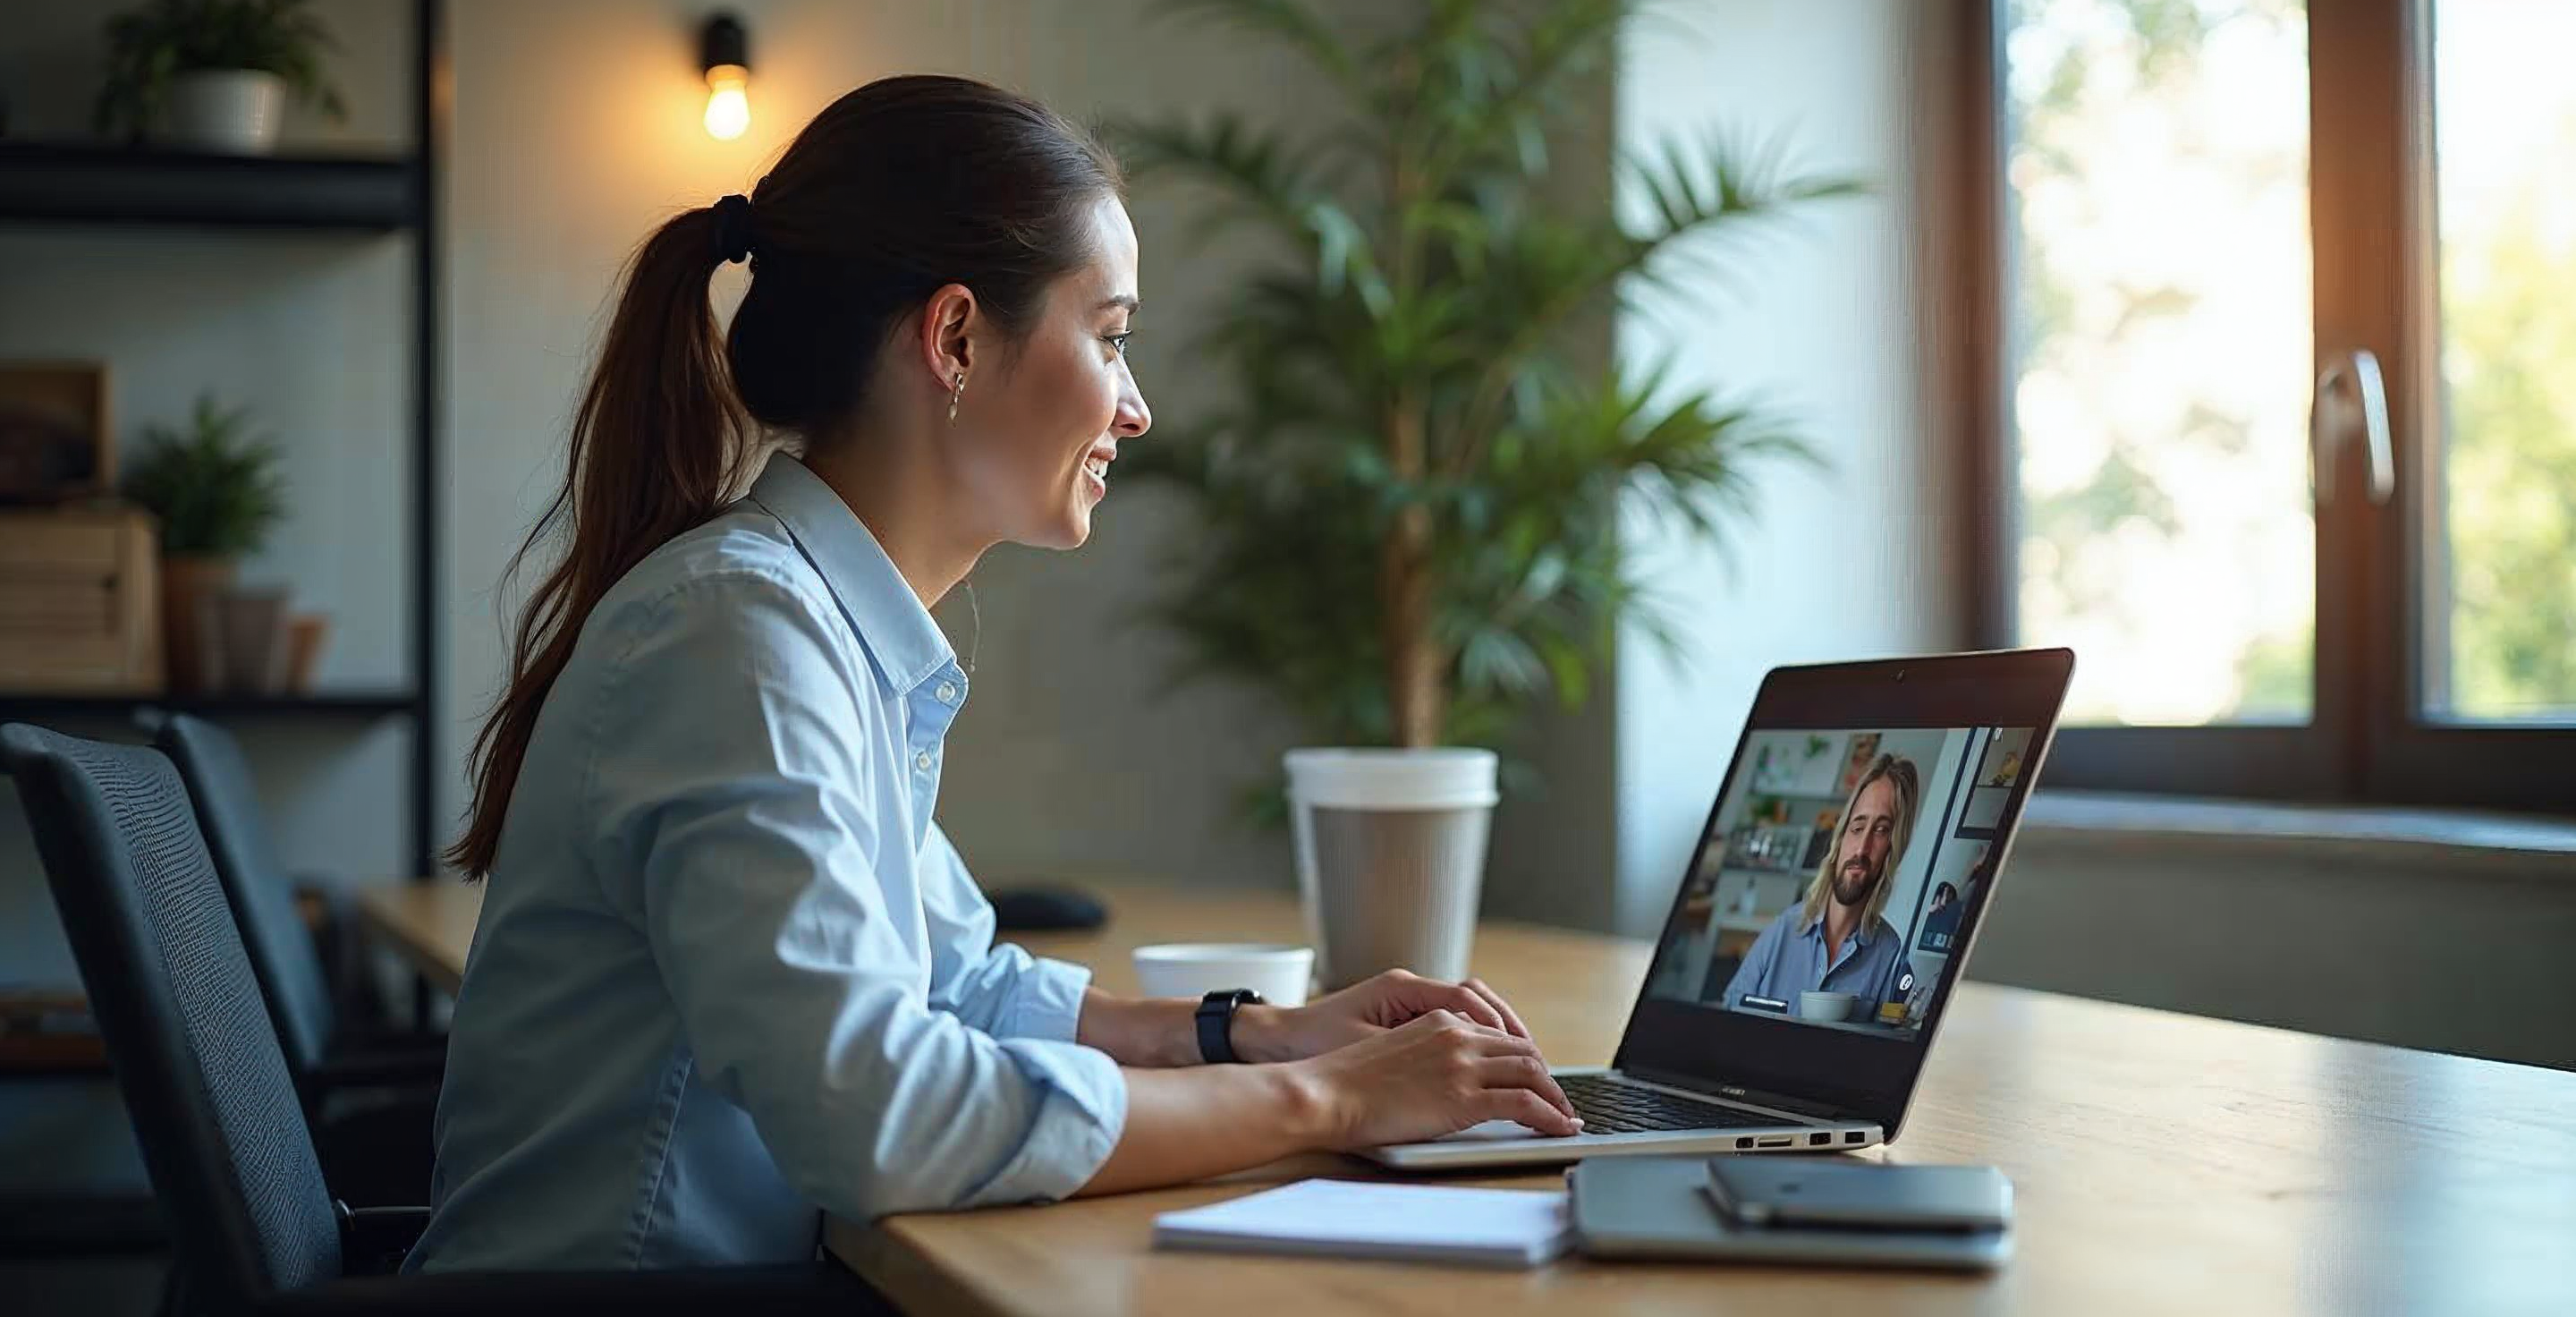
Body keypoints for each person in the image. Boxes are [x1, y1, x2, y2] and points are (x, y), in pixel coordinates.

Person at [407, 75, 1577, 1275]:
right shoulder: (737, 640)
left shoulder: (799, 620)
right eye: (1112, 337)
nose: (1138, 409)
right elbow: (882, 1117)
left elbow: (951, 984)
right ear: (956, 336)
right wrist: (1330, 1102)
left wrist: (1264, 1039)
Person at [1722, 753, 1922, 1016]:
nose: (1862, 848)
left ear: (1894, 849)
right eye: (1858, 827)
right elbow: (1729, 1012)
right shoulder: (1785, 929)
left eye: (1881, 831)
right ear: (1840, 837)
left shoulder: (1890, 955)